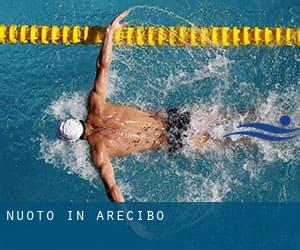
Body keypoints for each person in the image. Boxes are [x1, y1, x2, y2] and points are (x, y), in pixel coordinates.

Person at [58, 11, 210, 202]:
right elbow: (103, 66)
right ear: (76, 119)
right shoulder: (95, 105)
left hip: (171, 140)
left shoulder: (99, 152)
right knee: (226, 118)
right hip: (172, 118)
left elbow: (112, 189)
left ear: (76, 140)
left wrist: (128, 220)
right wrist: (109, 33)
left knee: (227, 141)